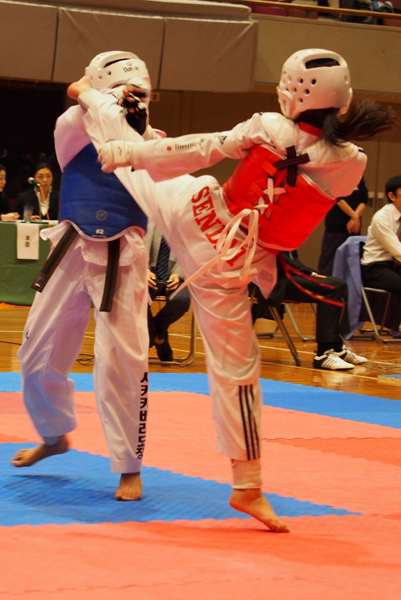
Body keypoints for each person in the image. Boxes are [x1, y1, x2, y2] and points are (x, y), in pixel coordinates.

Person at [70, 48, 395, 532]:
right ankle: (248, 485)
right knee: (237, 371)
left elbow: (203, 147)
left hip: (198, 216)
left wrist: (132, 152)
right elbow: (308, 178)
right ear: (342, 101)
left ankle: (93, 98)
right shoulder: (352, 162)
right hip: (229, 265)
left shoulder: (269, 127)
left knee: (132, 162)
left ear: (290, 92)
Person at [11, 51, 161, 502]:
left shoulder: (154, 140)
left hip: (125, 256)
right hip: (72, 247)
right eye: (125, 93)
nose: (133, 101)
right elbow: (88, 108)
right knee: (35, 353)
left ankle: (129, 466)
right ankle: (54, 435)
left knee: (123, 361)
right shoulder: (72, 128)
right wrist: (89, 90)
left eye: (140, 94)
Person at [251, 251, 368, 370]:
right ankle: (323, 353)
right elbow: (280, 260)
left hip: (282, 275)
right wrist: (309, 273)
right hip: (268, 281)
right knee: (331, 289)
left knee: (341, 284)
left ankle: (337, 347)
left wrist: (309, 273)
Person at [144, 220, 190, 361]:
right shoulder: (144, 219)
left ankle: (156, 333)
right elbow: (134, 249)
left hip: (177, 276)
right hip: (147, 275)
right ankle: (160, 339)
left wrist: (178, 274)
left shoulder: (188, 222)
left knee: (182, 300)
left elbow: (191, 253)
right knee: (137, 300)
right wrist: (144, 270)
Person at [361, 174, 401, 335]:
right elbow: (397, 251)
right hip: (376, 268)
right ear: (392, 196)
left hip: (395, 266)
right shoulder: (382, 217)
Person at [318, 177, 369, 275]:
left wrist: (355, 217)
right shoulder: (338, 176)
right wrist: (354, 216)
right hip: (336, 227)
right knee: (329, 262)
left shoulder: (358, 177)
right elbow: (338, 199)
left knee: (352, 261)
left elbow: (364, 199)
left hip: (354, 227)